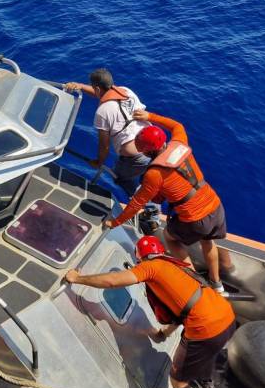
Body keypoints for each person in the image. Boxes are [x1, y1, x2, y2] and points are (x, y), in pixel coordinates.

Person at [64, 236, 236, 388]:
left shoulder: (150, 267)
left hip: (205, 329)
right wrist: (164, 334)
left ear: (140, 257)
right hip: (227, 317)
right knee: (206, 350)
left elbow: (113, 281)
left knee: (178, 381)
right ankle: (205, 382)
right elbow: (185, 306)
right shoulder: (174, 265)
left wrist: (77, 278)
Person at [102, 110, 233, 294]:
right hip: (215, 206)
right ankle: (217, 284)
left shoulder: (153, 174)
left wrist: (114, 222)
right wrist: (149, 117)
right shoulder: (179, 142)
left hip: (195, 218)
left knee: (170, 237)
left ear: (147, 151)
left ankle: (196, 283)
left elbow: (136, 204)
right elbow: (177, 125)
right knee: (208, 242)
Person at [63, 68, 151, 197]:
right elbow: (104, 93)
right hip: (152, 145)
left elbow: (104, 145)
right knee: (148, 179)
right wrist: (81, 86)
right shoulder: (127, 91)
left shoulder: (103, 111)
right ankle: (152, 207)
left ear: (97, 89)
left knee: (122, 179)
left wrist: (99, 162)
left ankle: (145, 209)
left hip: (135, 158)